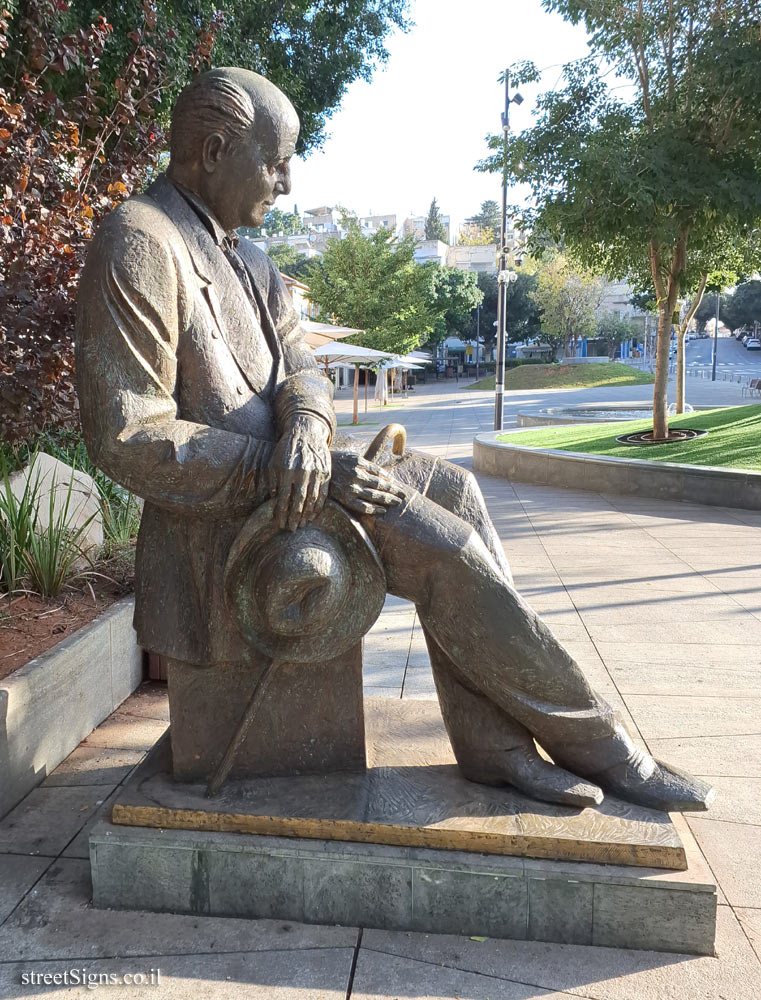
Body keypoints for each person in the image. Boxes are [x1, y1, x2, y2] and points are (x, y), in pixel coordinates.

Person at [75, 68, 712, 813]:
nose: (287, 180)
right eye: (275, 159)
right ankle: (605, 748)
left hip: (296, 481)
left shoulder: (247, 258)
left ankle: (494, 747)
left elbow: (302, 367)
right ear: (214, 150)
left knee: (457, 490)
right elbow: (128, 435)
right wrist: (284, 468)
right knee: (446, 545)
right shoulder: (139, 241)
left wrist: (311, 430)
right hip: (229, 523)